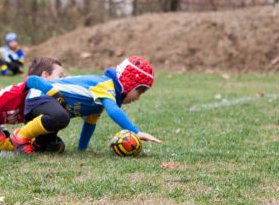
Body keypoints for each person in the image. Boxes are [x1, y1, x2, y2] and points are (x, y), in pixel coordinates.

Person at [9, 56, 163, 154]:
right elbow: (113, 111)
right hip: (40, 97)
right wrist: (136, 131)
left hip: (46, 108)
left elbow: (89, 124)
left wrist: (81, 149)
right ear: (129, 84)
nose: (138, 97)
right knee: (61, 117)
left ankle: (28, 144)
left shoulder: (99, 100)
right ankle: (20, 135)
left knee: (52, 145)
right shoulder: (105, 85)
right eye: (140, 91)